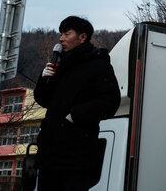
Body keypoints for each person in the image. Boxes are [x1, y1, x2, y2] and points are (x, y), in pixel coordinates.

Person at [34, 16, 120, 191]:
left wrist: (75, 115)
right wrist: (43, 80)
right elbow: (44, 100)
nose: (61, 39)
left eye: (67, 34)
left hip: (77, 159)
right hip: (49, 158)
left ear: (82, 37)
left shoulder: (98, 65)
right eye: (61, 34)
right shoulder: (60, 65)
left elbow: (110, 101)